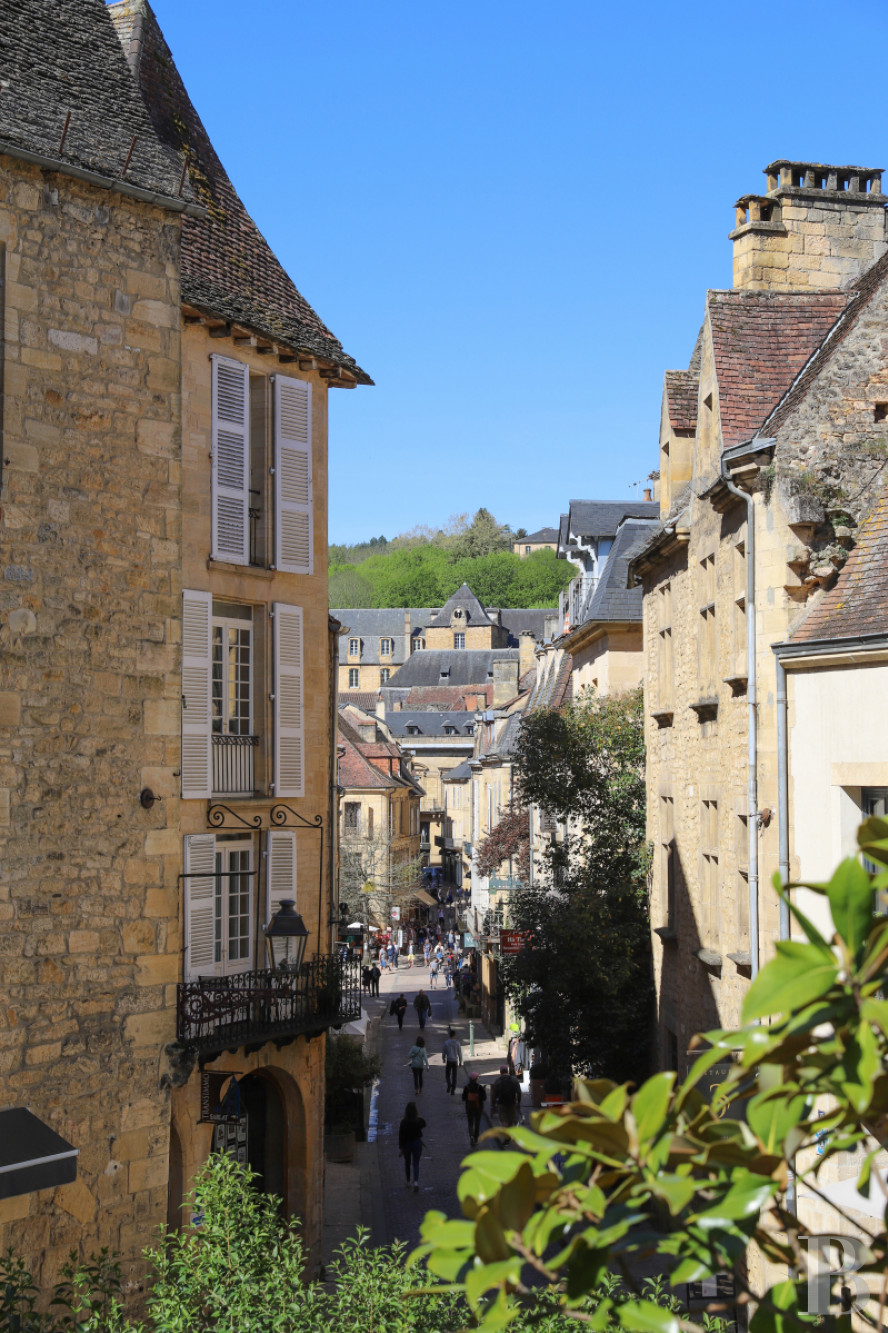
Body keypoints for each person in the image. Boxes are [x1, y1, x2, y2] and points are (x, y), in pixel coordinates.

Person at [398, 1100, 426, 1193]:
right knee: (416, 1163)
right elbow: (424, 1123)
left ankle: (408, 1181)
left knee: (407, 1162)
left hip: (407, 1144)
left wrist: (401, 1148)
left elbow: (401, 1135)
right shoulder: (418, 1121)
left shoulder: (403, 1122)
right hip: (417, 1143)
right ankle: (416, 1182)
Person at [462, 1072, 486, 1144]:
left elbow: (463, 1098)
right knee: (477, 1123)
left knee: (470, 1122)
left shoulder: (467, 1087)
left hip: (469, 1108)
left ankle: (471, 1135)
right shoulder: (479, 1087)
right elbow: (484, 1098)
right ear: (476, 1079)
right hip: (478, 1107)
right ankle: (476, 1137)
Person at [442, 1027, 462, 1094]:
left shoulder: (446, 1043)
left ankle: (449, 1084)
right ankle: (453, 1090)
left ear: (449, 1035)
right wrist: (460, 1061)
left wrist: (443, 1058)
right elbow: (459, 1053)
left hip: (449, 1060)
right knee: (454, 1076)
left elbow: (444, 1051)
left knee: (447, 1074)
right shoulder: (457, 1043)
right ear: (454, 1035)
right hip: (455, 1061)